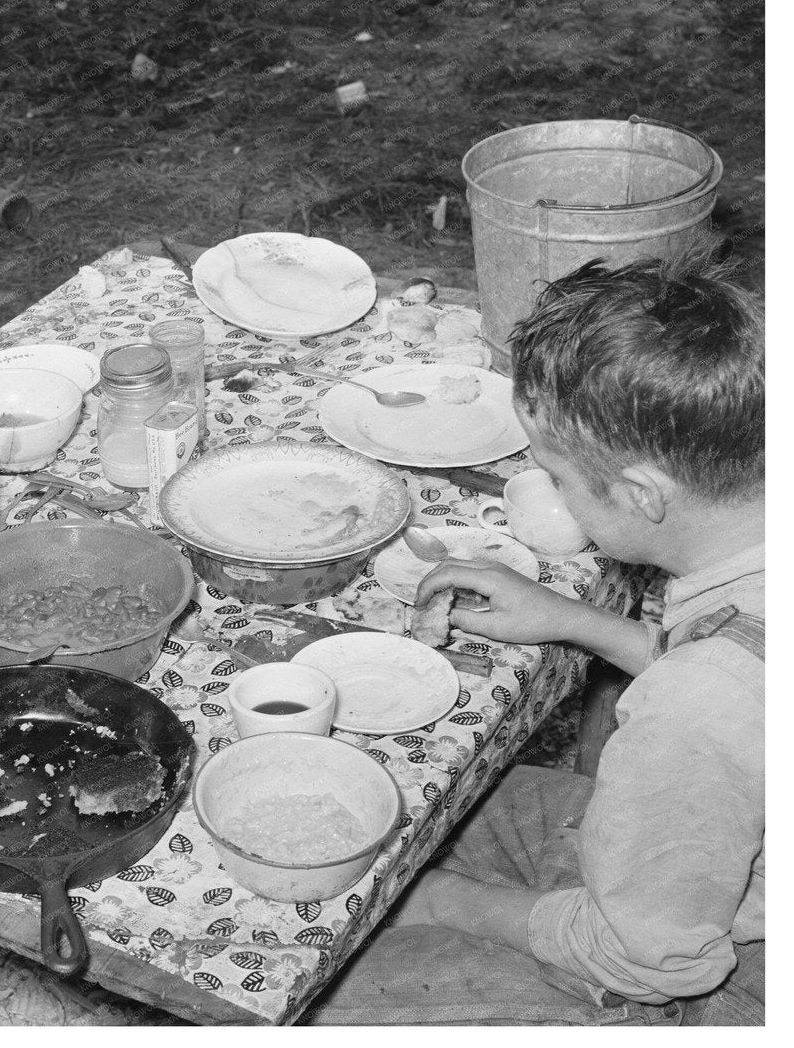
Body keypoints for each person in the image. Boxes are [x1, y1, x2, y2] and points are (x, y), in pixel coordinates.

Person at [304, 249, 763, 1026]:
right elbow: (747, 687)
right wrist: (572, 620)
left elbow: (650, 960)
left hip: (735, 978)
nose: (551, 490)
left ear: (644, 494)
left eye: (557, 475)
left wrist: (436, 902)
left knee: (325, 979)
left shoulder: (697, 705)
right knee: (402, 807)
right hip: (725, 852)